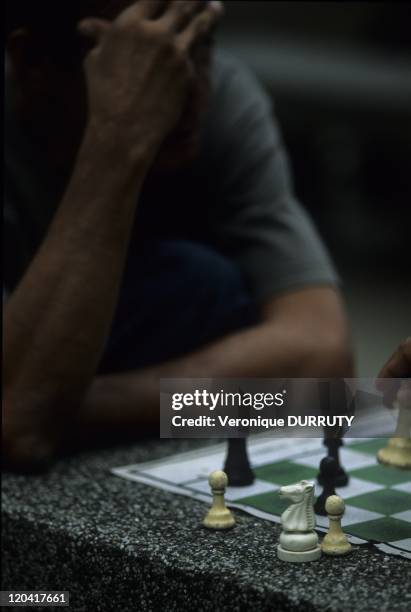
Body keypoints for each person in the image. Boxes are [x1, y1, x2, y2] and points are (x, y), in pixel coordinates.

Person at [3, 0, 353, 471]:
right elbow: (17, 432)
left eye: (199, 45)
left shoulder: (224, 96)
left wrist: (70, 408)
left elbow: (327, 375)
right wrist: (119, 141)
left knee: (200, 283)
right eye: (136, 63)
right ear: (32, 65)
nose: (188, 88)